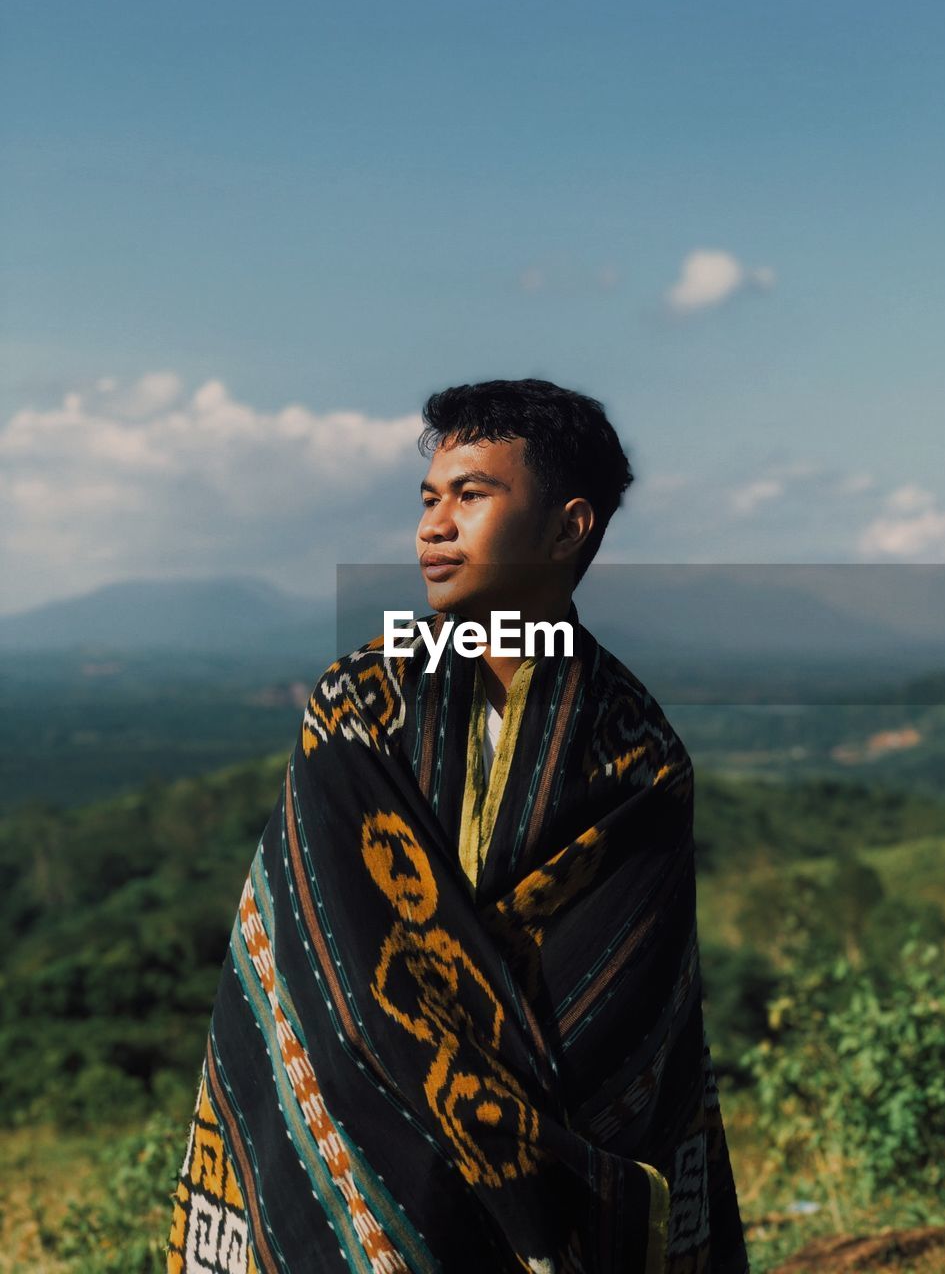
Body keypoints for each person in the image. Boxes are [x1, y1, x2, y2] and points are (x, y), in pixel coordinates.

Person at [166, 379, 749, 1273]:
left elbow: (622, 1002)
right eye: (429, 499)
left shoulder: (635, 753)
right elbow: (337, 971)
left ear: (567, 528)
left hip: (555, 1164)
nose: (433, 527)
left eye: (471, 495)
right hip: (365, 1145)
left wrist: (521, 1152)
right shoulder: (360, 705)